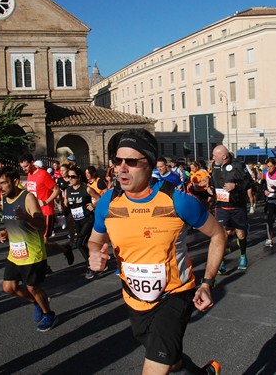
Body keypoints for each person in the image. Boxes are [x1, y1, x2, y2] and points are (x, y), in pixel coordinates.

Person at [88, 129, 225, 375]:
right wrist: (94, 255)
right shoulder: (108, 202)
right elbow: (94, 242)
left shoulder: (176, 201)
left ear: (149, 164)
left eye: (131, 162)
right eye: (117, 161)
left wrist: (207, 283)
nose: (122, 168)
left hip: (174, 296)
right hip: (134, 299)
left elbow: (218, 235)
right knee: (170, 361)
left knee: (155, 367)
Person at [0, 167, 58, 332]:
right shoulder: (5, 198)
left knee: (33, 288)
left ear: (15, 182)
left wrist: (26, 217)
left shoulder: (28, 198)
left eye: (3, 183)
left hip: (32, 252)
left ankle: (49, 314)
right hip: (15, 252)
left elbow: (41, 225)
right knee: (9, 288)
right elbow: (14, 223)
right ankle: (37, 302)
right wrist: (5, 232)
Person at [19, 154, 74, 268]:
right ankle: (62, 251)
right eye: (22, 167)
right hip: (34, 213)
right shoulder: (29, 175)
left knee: (43, 243)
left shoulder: (43, 174)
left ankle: (46, 265)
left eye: (26, 166)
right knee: (35, 242)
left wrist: (46, 201)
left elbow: (56, 190)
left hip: (46, 212)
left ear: (32, 162)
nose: (24, 169)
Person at [211, 144, 252, 273]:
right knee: (221, 235)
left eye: (215, 155)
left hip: (237, 205)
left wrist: (235, 185)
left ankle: (243, 255)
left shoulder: (238, 165)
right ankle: (220, 261)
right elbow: (213, 181)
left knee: (240, 233)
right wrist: (209, 187)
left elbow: (248, 182)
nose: (212, 157)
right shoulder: (215, 165)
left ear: (224, 156)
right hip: (221, 206)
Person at [64, 167, 100, 279]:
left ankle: (91, 267)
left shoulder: (86, 189)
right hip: (77, 221)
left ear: (79, 177)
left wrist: (93, 205)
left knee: (80, 243)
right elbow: (66, 206)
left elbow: (100, 198)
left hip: (88, 219)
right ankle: (98, 261)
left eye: (73, 177)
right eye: (68, 177)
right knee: (86, 244)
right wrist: (63, 209)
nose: (70, 179)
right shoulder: (67, 191)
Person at [262, 158, 276, 247]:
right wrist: (264, 191)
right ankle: (269, 238)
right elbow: (262, 186)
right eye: (268, 167)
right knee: (269, 217)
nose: (269, 168)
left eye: (271, 166)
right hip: (270, 198)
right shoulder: (266, 175)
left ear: (275, 166)